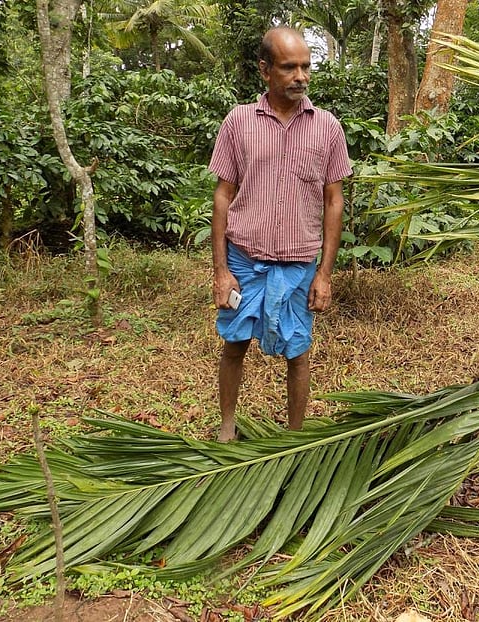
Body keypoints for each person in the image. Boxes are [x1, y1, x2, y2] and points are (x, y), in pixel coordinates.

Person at [208, 27, 352, 441]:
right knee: (234, 344)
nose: (301, 76)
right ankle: (227, 428)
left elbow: (333, 202)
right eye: (289, 67)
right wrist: (220, 270)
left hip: (300, 262)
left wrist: (324, 275)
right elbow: (223, 196)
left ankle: (293, 437)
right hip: (243, 259)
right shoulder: (238, 122)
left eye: (306, 66)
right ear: (265, 70)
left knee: (298, 351)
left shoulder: (327, 127)